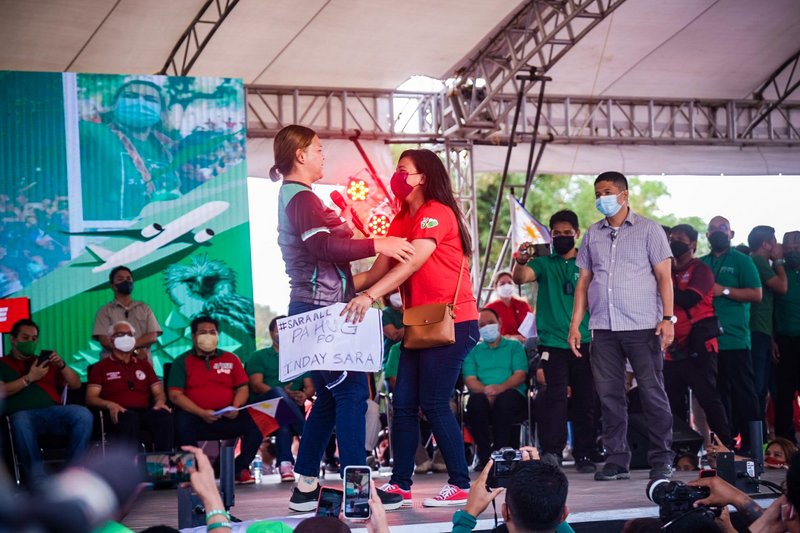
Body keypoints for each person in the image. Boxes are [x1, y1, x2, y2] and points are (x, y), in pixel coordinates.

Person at [269, 125, 412, 512]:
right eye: (317, 149)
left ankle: (304, 486)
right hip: (320, 313)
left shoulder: (300, 197)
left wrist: (382, 257)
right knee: (350, 394)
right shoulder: (300, 198)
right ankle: (358, 488)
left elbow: (338, 270)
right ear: (300, 155)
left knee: (333, 399)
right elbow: (321, 245)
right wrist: (377, 243)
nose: (322, 155)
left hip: (323, 309)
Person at [342, 148, 479, 507]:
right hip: (418, 324)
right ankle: (400, 485)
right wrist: (329, 291)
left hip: (454, 320)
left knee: (433, 402)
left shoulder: (437, 213)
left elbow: (414, 262)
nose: (398, 176)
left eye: (404, 170)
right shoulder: (399, 219)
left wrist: (369, 296)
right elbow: (376, 271)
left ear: (424, 177)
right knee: (402, 405)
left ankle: (461, 483)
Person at [568, 171, 675, 481]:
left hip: (643, 325)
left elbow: (664, 277)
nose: (603, 198)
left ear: (624, 195)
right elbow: (584, 282)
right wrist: (576, 325)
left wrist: (667, 319)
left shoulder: (649, 230)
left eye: (608, 191)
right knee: (610, 395)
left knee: (652, 391)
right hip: (602, 327)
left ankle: (662, 458)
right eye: (598, 193)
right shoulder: (592, 234)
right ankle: (617, 459)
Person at [512, 209, 597, 473]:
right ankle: (552, 453)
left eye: (566, 233)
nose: (561, 237)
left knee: (587, 400)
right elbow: (520, 278)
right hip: (552, 345)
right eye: (556, 233)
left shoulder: (588, 262)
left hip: (585, 342)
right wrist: (521, 260)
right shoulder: (543, 263)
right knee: (553, 400)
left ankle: (585, 454)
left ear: (577, 233)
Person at [167, 315, 263, 484]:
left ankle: (238, 469)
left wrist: (235, 406)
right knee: (180, 423)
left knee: (255, 427)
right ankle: (194, 472)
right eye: (203, 332)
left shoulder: (231, 359)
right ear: (193, 336)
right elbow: (175, 395)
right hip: (194, 416)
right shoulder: (182, 361)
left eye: (212, 332)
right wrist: (201, 412)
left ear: (218, 336)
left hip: (227, 415)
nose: (208, 336)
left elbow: (242, 388)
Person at [663, 224, 733, 449]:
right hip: (672, 351)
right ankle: (682, 451)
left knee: (708, 400)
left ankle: (726, 447)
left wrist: (665, 282)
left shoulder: (700, 270)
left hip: (699, 347)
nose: (674, 242)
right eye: (672, 238)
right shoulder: (667, 271)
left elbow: (688, 300)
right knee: (672, 403)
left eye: (680, 239)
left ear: (692, 244)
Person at [0, 318, 93, 488]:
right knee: (21, 419)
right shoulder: (2, 364)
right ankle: (38, 481)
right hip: (22, 416)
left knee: (82, 414)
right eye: (25, 338)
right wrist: (29, 378)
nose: (30, 342)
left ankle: (72, 475)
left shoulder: (44, 361)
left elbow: (76, 385)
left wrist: (62, 365)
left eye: (34, 338)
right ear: (12, 339)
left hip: (53, 414)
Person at [700, 216, 762, 452]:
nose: (718, 232)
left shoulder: (742, 260)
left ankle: (753, 445)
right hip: (708, 343)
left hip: (735, 339)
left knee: (744, 393)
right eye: (713, 229)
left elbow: (756, 294)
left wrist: (723, 290)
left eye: (722, 228)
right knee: (717, 397)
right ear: (706, 235)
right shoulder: (702, 263)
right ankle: (725, 446)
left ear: (731, 234)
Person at [79, 78, 179, 221]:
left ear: (162, 112)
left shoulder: (167, 151)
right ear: (114, 105)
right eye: (130, 96)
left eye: (150, 99)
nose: (140, 103)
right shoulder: (92, 132)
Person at [86, 320, 174, 452]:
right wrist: (110, 405)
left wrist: (160, 402)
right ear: (111, 341)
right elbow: (91, 398)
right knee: (129, 418)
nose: (126, 338)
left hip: (143, 411)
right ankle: (132, 468)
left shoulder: (144, 365)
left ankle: (162, 463)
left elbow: (158, 392)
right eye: (120, 334)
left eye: (129, 334)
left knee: (163, 416)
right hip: (118, 413)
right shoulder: (100, 367)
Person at [247, 315, 313, 482]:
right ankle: (307, 432)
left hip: (291, 408)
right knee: (278, 393)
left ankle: (285, 466)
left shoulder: (300, 357)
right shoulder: (259, 356)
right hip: (264, 406)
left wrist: (304, 395)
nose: (283, 333)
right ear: (271, 333)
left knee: (283, 423)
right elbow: (256, 384)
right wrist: (282, 395)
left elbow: (310, 386)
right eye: (279, 329)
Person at [463, 308, 527, 471]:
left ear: (500, 323)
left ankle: (502, 455)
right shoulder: (473, 351)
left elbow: (520, 374)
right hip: (483, 395)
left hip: (511, 394)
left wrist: (500, 389)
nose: (487, 327)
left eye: (490, 322)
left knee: (505, 401)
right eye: (482, 325)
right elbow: (470, 380)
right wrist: (487, 391)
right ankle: (485, 458)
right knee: (475, 403)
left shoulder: (514, 346)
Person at [452, 447, 574, 533]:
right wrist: (538, 474)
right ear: (564, 514)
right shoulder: (561, 516)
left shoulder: (504, 514)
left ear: (505, 512)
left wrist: (466, 518)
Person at [748, 225, 788, 430]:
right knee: (758, 386)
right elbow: (782, 287)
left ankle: (759, 433)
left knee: (763, 386)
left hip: (763, 330)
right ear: (766, 244)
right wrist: (780, 260)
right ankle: (756, 435)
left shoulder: (759, 261)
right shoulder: (758, 260)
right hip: (756, 330)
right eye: (774, 241)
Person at [93, 265, 162, 362]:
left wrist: (129, 346)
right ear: (112, 286)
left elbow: (152, 336)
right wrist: (135, 350)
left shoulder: (144, 308)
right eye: (120, 279)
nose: (126, 281)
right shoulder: (104, 311)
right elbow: (104, 340)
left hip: (142, 363)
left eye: (129, 278)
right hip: (113, 365)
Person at [775, 231, 800, 441]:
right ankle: (784, 440)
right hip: (783, 340)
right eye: (788, 248)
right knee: (784, 391)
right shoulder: (779, 272)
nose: (793, 251)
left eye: (797, 248)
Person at [485, 271, 531, 341]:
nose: (506, 286)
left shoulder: (523, 305)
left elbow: (532, 329)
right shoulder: (490, 309)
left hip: (524, 347)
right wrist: (511, 338)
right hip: (501, 348)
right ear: (495, 287)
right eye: (502, 284)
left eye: (509, 283)